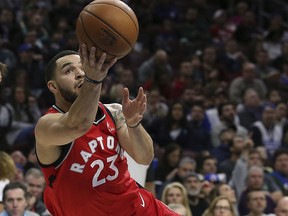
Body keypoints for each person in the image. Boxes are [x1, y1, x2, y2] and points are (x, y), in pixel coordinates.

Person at [34, 45, 178, 216]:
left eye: (82, 67)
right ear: (53, 87)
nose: (80, 73)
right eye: (68, 71)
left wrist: (133, 124)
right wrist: (93, 80)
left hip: (138, 208)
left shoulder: (114, 112)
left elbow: (144, 157)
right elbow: (78, 125)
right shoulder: (47, 125)